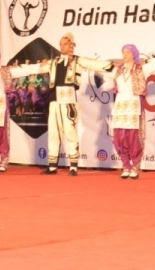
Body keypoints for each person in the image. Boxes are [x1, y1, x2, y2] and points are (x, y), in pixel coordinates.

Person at [39, 33, 113, 176]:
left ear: (71, 45)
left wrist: (110, 66)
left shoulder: (77, 61)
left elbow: (93, 64)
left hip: (69, 102)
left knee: (71, 133)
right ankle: (52, 166)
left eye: (65, 44)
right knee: (53, 133)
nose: (62, 47)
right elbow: (37, 68)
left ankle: (73, 166)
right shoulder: (54, 62)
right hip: (54, 101)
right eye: (61, 44)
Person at [100, 44, 155, 179]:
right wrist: (81, 62)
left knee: (133, 138)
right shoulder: (118, 70)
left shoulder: (141, 68)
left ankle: (135, 167)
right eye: (123, 52)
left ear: (134, 54)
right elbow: (100, 67)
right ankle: (126, 165)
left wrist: (150, 60)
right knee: (119, 138)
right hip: (120, 108)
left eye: (127, 52)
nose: (124, 55)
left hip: (134, 106)